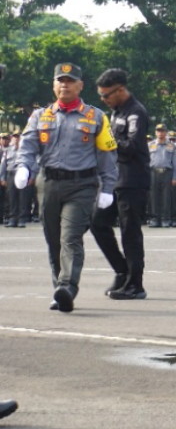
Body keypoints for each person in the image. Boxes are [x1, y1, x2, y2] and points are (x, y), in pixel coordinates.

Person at [15, 62, 118, 313]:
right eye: (60, 80)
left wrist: (107, 187)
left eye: (70, 80)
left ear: (80, 85)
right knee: (53, 240)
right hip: (48, 183)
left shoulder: (96, 117)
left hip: (81, 184)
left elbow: (107, 154)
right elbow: (28, 146)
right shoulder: (40, 116)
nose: (65, 84)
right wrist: (23, 167)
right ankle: (59, 291)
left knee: (70, 236)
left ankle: (68, 287)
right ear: (53, 85)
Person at [89, 68, 153, 301]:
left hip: (133, 181)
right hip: (115, 181)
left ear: (120, 90)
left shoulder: (136, 112)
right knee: (97, 223)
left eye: (106, 95)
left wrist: (107, 140)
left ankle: (135, 284)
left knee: (130, 233)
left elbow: (132, 147)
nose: (104, 100)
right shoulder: (116, 113)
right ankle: (122, 270)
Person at [147, 125, 176, 228]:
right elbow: (145, 161)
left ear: (166, 132)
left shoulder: (172, 146)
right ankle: (154, 219)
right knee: (154, 196)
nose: (160, 133)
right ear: (155, 133)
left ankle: (166, 219)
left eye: (162, 131)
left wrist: (175, 177)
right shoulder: (150, 145)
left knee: (166, 197)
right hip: (153, 172)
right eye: (158, 131)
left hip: (167, 173)